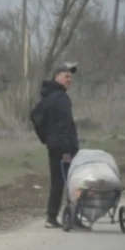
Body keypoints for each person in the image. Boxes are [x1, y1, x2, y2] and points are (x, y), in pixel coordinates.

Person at [30, 63, 82, 229]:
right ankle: (73, 216)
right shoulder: (61, 97)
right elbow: (64, 124)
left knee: (58, 182)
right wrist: (67, 147)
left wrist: (47, 138)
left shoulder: (48, 96)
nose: (69, 80)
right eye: (66, 76)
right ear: (57, 77)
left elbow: (35, 117)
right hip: (64, 148)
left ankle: (52, 217)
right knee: (71, 180)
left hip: (54, 147)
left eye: (71, 77)